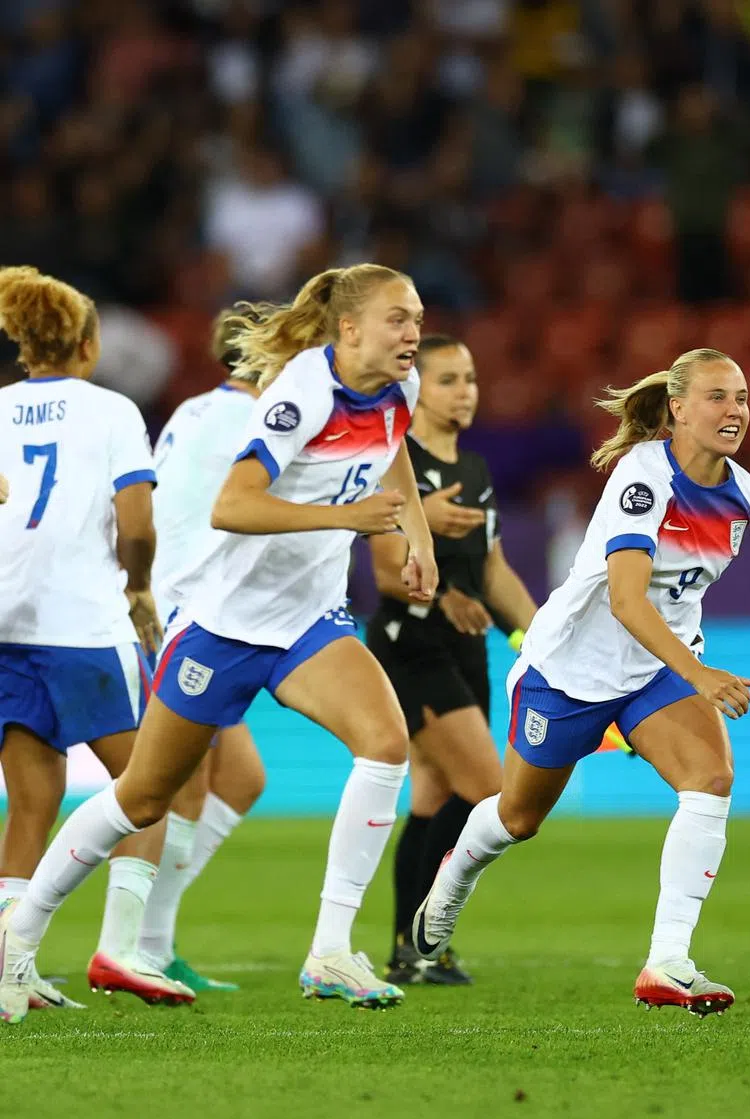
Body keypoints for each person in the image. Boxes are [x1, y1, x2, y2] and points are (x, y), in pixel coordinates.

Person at [0, 263, 438, 1025]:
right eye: (399, 318)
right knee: (141, 796)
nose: (413, 332)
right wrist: (348, 519)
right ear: (349, 328)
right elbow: (234, 507)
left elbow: (394, 445)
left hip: (307, 620)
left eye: (418, 316)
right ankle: (19, 940)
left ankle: (331, 949)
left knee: (386, 743)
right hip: (225, 625)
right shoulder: (300, 393)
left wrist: (416, 533)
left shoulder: (402, 387)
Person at [411, 347, 750, 1016]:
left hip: (656, 669)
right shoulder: (642, 479)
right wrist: (702, 673)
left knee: (712, 782)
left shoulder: (747, 495)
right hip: (571, 669)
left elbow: (676, 597)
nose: (735, 410)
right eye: (717, 397)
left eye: (742, 397)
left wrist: (687, 666)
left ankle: (668, 962)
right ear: (679, 409)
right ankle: (454, 876)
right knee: (519, 817)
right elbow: (629, 601)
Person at [0, 265, 193, 1011]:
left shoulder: (1, 408)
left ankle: (10, 969)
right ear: (88, 343)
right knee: (151, 788)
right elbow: (137, 522)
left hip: (7, 621)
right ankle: (118, 949)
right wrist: (138, 584)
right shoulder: (112, 411)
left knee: (32, 796)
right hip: (81, 623)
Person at [367, 334, 538, 986]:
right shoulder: (395, 462)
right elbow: (385, 571)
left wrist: (541, 633)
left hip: (466, 651)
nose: (464, 390)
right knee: (488, 790)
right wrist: (443, 595)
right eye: (447, 379)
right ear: (417, 391)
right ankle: (422, 939)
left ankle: (412, 952)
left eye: (470, 378)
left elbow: (494, 572)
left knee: (432, 799)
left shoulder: (477, 471)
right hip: (413, 646)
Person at [137, 308, 269, 994]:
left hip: (185, 603)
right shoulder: (248, 422)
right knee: (172, 785)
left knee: (241, 778)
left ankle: (152, 932)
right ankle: (142, 944)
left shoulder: (195, 409)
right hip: (187, 613)